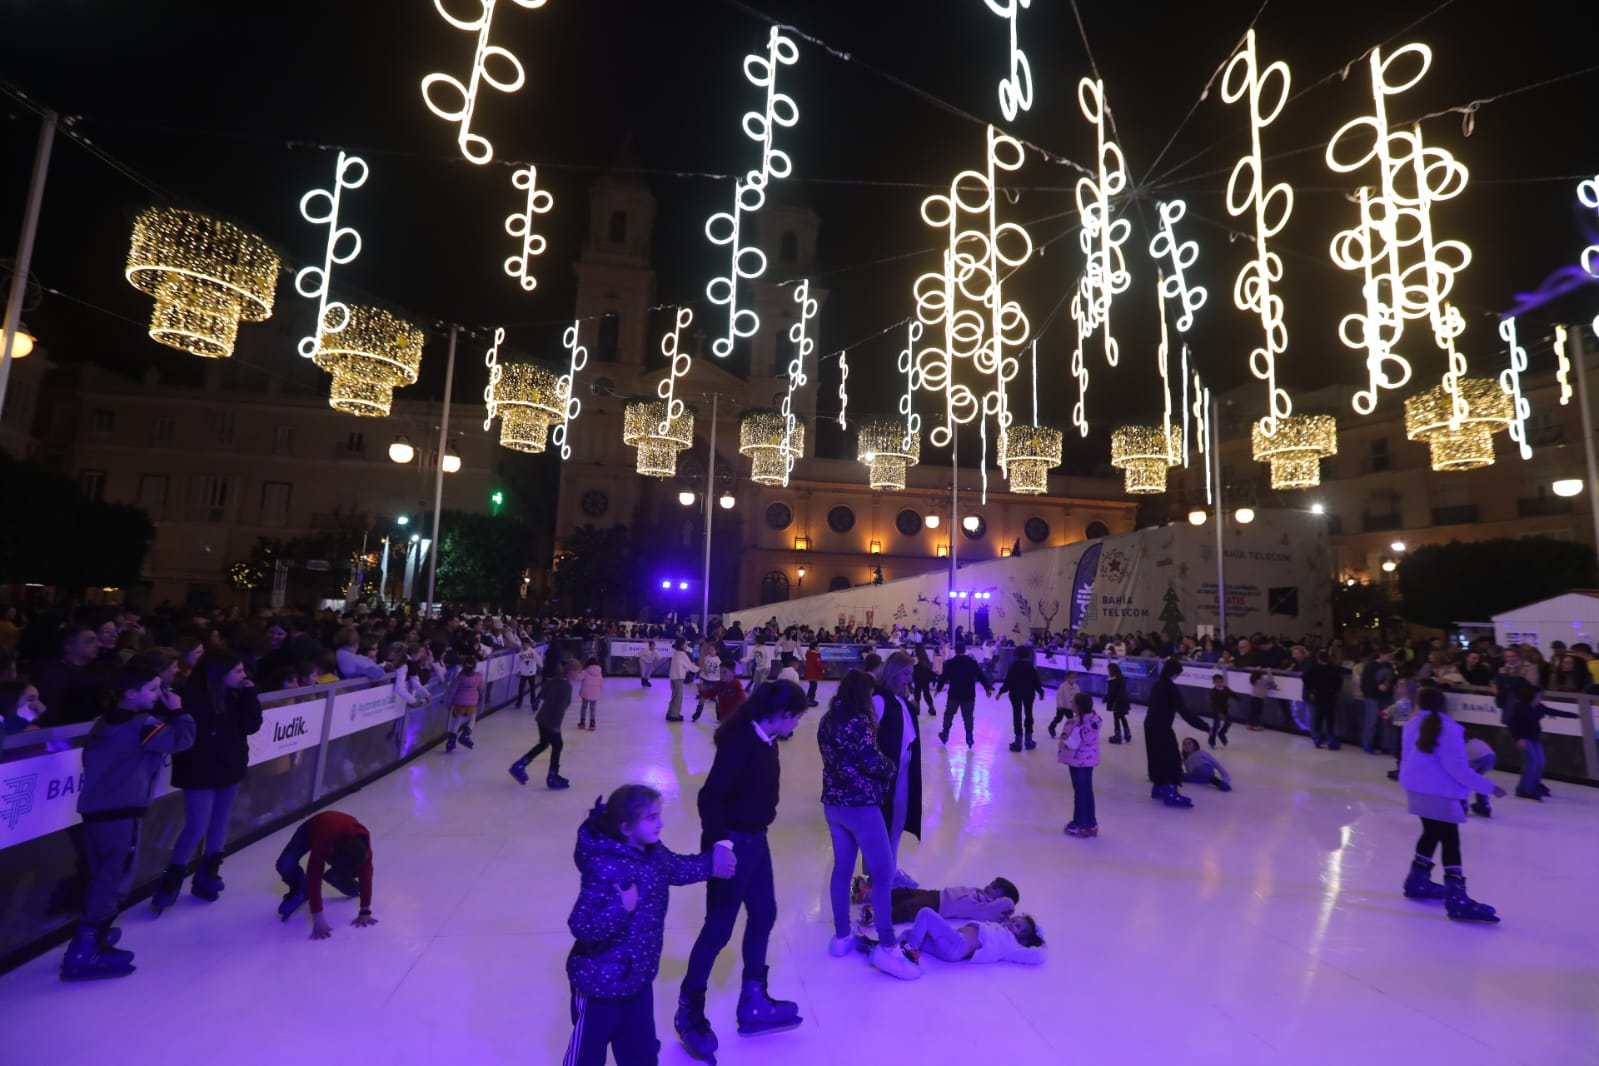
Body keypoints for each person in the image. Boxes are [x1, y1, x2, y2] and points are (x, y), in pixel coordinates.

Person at [674, 681, 809, 1060]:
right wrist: (720, 844)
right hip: (732, 844)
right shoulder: (740, 743)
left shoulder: (768, 741)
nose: (797, 724)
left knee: (764, 914)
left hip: (757, 841)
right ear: (782, 715)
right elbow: (710, 797)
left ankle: (753, 1000)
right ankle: (688, 1010)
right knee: (718, 930)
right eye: (797, 717)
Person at [564, 785, 737, 1066]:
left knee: (642, 1054)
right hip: (599, 985)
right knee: (587, 1056)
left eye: (659, 815)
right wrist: (620, 907)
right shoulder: (604, 866)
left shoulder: (654, 854)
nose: (661, 823)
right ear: (626, 827)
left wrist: (712, 865)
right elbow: (582, 925)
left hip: (638, 980)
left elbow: (679, 868)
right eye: (651, 818)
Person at [63, 665, 196, 980]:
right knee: (114, 881)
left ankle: (94, 936)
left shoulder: (103, 721)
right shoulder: (142, 725)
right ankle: (85, 951)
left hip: (95, 811)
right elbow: (182, 740)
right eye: (152, 689)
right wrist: (180, 712)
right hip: (121, 813)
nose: (158, 695)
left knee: (101, 876)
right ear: (131, 693)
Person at [817, 670, 919, 980]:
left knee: (842, 871)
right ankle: (888, 946)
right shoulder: (859, 720)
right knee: (884, 873)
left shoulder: (827, 719)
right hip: (861, 805)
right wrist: (891, 767)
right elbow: (869, 760)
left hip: (834, 804)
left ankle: (842, 937)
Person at [153, 652, 263, 911]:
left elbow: (251, 725)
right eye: (237, 671)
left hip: (230, 766)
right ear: (219, 674)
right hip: (199, 769)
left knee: (220, 821)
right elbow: (181, 725)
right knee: (196, 825)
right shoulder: (188, 696)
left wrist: (250, 694)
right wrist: (176, 709)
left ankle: (209, 873)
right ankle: (172, 879)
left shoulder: (239, 695)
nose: (244, 676)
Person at [1398, 688, 1506, 922]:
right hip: (1441, 793)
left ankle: (1417, 880)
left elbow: (1406, 759)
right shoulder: (1450, 729)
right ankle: (1457, 899)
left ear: (1418, 704)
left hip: (1417, 791)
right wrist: (1489, 787)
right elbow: (1458, 770)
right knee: (1450, 840)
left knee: (1430, 832)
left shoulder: (1411, 725)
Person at [274, 810, 379, 939]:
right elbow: (314, 876)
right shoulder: (323, 842)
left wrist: (365, 910)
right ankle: (300, 888)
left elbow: (366, 874)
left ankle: (336, 877)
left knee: (355, 869)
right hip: (313, 827)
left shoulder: (363, 845)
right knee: (285, 864)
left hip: (338, 835)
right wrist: (317, 917)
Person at [875, 652, 923, 885]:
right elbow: (868, 737)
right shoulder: (880, 700)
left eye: (910, 674)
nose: (909, 679)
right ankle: (882, 875)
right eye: (905, 674)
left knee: (898, 822)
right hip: (887, 775)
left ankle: (890, 871)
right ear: (893, 673)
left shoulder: (900, 700)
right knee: (885, 824)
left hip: (904, 770)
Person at [1145, 658, 1213, 808]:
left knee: (1156, 756)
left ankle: (1158, 787)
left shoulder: (1157, 685)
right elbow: (1185, 713)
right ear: (1175, 673)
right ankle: (1171, 793)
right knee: (1173, 759)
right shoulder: (1171, 689)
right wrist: (1205, 727)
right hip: (1162, 727)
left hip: (1149, 725)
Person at [510, 657, 576, 789]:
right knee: (557, 745)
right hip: (551, 721)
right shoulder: (566, 686)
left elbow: (543, 695)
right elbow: (560, 708)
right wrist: (556, 726)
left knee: (544, 743)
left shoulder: (554, 680)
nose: (580, 674)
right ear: (571, 672)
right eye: (578, 671)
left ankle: (520, 765)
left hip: (542, 718)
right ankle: (552, 776)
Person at [856, 875, 1019, 925]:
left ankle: (875, 916)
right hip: (937, 895)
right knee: (903, 893)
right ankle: (868, 894)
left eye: (995, 888)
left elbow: (1008, 903)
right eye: (991, 883)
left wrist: (1007, 905)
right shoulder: (979, 892)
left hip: (938, 907)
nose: (989, 886)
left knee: (907, 908)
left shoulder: (987, 909)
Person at [903, 909, 1046, 965]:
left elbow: (1037, 956)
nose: (1011, 924)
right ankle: (898, 953)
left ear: (1022, 939)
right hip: (951, 950)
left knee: (926, 913)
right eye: (1013, 921)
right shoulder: (998, 928)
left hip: (957, 944)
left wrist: (1040, 940)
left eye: (1017, 927)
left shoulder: (1012, 946)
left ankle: (911, 950)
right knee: (908, 933)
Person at [1059, 690, 1102, 837]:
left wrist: (1064, 738)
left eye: (1073, 703)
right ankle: (1091, 823)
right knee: (1087, 790)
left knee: (1079, 791)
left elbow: (1074, 744)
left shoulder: (1077, 724)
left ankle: (1079, 823)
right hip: (1089, 760)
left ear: (1078, 706)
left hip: (1077, 761)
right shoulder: (1094, 720)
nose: (1071, 704)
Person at [936, 642, 992, 748]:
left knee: (949, 714)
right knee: (968, 716)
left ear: (955, 651)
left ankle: (945, 734)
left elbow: (943, 677)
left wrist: (938, 688)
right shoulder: (972, 662)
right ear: (964, 650)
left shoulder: (950, 663)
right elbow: (981, 675)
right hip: (969, 694)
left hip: (954, 694)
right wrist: (987, 688)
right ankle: (969, 736)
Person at [1504, 678, 1552, 801]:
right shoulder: (1520, 707)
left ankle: (1534, 785)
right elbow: (1512, 724)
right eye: (1538, 696)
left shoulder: (1538, 707)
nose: (1540, 699)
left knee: (1540, 762)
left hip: (1535, 738)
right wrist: (1519, 738)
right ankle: (1523, 789)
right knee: (1532, 762)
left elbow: (1553, 711)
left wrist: (1575, 715)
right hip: (1525, 738)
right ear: (1531, 696)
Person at [998, 646, 1046, 752]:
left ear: (1016, 654)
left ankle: (1018, 741)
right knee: (1029, 714)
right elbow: (1036, 681)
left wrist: (1001, 692)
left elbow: (1008, 681)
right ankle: (1028, 740)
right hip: (1029, 693)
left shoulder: (1013, 666)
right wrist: (1040, 692)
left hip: (1015, 694)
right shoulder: (1030, 667)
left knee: (1017, 715)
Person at [1303, 651, 1345, 749]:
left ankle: (1318, 738)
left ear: (1318, 659)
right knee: (1330, 717)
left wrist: (1311, 689)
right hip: (1330, 695)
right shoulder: (1334, 668)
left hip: (1318, 694)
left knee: (1319, 716)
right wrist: (1336, 690)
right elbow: (1339, 681)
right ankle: (1331, 740)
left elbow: (1304, 677)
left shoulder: (1313, 668)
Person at [443, 653, 483, 752]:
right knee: (472, 719)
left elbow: (453, 691)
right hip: (472, 702)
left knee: (457, 721)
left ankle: (451, 742)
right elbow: (481, 687)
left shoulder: (460, 677)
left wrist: (449, 703)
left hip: (459, 702)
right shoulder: (478, 677)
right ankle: (465, 735)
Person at [1360, 649, 1396, 754]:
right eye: (1389, 655)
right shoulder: (1370, 666)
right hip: (1372, 696)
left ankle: (1387, 745)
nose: (1390, 658)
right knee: (1372, 720)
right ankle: (1367, 742)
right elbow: (1366, 682)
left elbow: (1392, 679)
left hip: (1387, 697)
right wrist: (1377, 687)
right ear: (1381, 655)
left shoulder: (1389, 666)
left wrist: (1388, 687)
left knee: (1387, 721)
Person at [666, 639, 694, 723]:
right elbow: (690, 666)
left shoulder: (676, 653)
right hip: (678, 677)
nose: (687, 645)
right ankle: (674, 715)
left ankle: (670, 713)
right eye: (685, 643)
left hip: (673, 677)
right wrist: (699, 668)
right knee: (678, 697)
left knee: (675, 696)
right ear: (681, 645)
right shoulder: (682, 654)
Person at [1046, 670, 1080, 738]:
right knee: (1059, 718)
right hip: (1062, 707)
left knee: (1071, 719)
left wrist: (1077, 705)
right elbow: (1059, 697)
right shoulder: (1063, 686)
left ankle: (1070, 732)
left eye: (1073, 677)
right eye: (1070, 677)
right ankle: (1051, 727)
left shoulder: (1076, 687)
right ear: (1067, 678)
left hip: (1070, 707)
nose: (1072, 679)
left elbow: (1078, 696)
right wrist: (1060, 706)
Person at [1104, 661, 1132, 744]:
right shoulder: (1121, 678)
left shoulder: (1113, 680)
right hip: (1124, 701)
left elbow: (1111, 692)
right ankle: (1127, 733)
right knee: (1122, 717)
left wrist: (1105, 699)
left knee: (1116, 718)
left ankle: (1118, 736)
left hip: (1117, 702)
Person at [693, 643, 722, 719]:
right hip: (705, 680)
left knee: (717, 699)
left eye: (712, 649)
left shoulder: (718, 660)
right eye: (709, 649)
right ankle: (697, 713)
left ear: (716, 651)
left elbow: (719, 671)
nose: (710, 651)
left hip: (715, 681)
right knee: (702, 698)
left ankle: (719, 714)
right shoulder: (706, 657)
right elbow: (703, 667)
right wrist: (702, 674)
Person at [1211, 673, 1239, 747]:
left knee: (1229, 722)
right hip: (1217, 711)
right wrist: (1219, 713)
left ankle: (1221, 734)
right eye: (1217, 682)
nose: (1219, 683)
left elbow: (1232, 694)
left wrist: (1238, 698)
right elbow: (1214, 704)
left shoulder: (1226, 689)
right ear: (1214, 682)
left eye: (1221, 682)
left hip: (1225, 709)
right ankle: (1212, 741)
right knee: (1216, 726)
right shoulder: (1213, 692)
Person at [578, 656, 604, 732]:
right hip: (595, 693)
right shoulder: (599, 672)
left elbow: (578, 678)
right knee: (593, 708)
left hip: (585, 692)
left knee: (584, 707)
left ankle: (582, 722)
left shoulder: (585, 671)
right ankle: (592, 723)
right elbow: (601, 683)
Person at [909, 647, 936, 716]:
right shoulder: (925, 658)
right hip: (925, 679)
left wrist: (912, 653)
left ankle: (917, 709)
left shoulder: (916, 658)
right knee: (927, 693)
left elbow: (910, 662)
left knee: (917, 693)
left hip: (918, 678)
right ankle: (932, 708)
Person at [514, 640, 542, 708]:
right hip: (523, 673)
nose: (525, 646)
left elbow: (538, 659)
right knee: (521, 688)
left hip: (531, 672)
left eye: (526, 644)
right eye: (524, 644)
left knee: (532, 688)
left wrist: (541, 666)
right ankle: (519, 702)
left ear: (529, 645)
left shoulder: (532, 651)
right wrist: (517, 671)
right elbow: (516, 662)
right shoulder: (520, 653)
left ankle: (533, 701)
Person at [803, 642, 825, 707]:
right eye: (818, 646)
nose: (819, 648)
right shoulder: (815, 655)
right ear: (815, 647)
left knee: (812, 686)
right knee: (813, 687)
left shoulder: (809, 653)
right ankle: (810, 700)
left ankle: (808, 699)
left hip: (810, 673)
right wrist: (826, 667)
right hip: (813, 674)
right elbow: (818, 664)